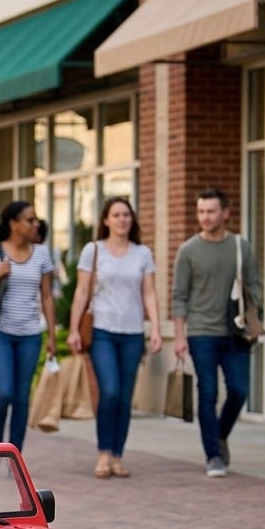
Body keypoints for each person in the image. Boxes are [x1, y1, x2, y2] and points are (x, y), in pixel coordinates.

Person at [67, 197, 163, 479]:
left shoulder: (142, 253)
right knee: (109, 392)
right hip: (103, 331)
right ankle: (103, 454)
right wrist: (73, 329)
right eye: (116, 214)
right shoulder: (93, 250)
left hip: (132, 332)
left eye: (126, 215)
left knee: (124, 397)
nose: (122, 219)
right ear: (106, 220)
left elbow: (149, 293)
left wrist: (155, 328)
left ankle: (118, 456)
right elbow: (82, 292)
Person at [172, 188, 261, 479]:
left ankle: (219, 435)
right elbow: (180, 295)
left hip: (235, 331)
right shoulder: (188, 250)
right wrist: (180, 335)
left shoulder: (240, 246)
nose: (205, 217)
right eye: (201, 212)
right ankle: (213, 455)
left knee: (239, 390)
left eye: (211, 211)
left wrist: (251, 315)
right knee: (207, 392)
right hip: (201, 332)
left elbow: (254, 285)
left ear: (225, 213)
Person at [0, 201, 58, 452]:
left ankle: (15, 455)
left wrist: (51, 335)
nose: (35, 224)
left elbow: (47, 296)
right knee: (4, 392)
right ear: (13, 224)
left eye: (35, 219)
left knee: (21, 398)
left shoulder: (41, 254)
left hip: (30, 335)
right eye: (30, 220)